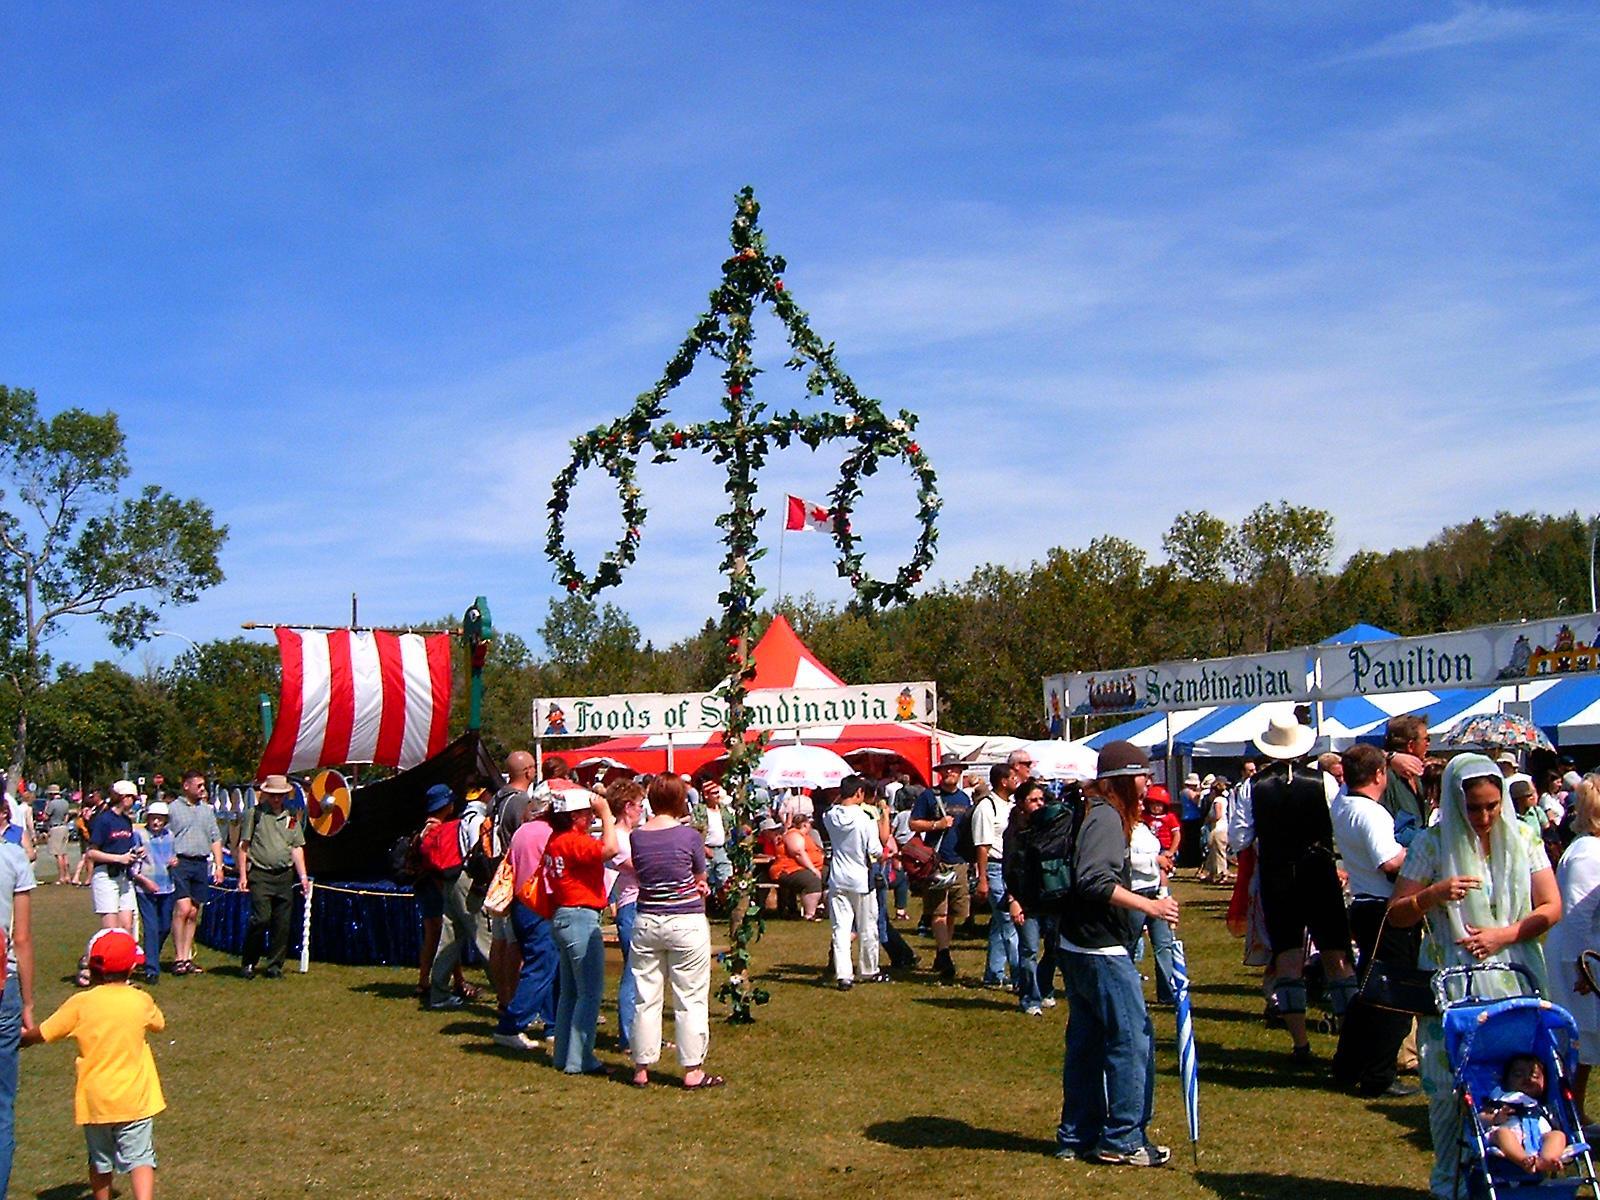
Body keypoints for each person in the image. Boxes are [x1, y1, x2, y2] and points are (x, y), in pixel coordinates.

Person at [1390, 753, 1561, 1200]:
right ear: (1454, 801)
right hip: (1453, 979)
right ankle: (1448, 1179)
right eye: (1473, 807)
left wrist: (1504, 935)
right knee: (1449, 1089)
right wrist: (1433, 894)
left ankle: (1517, 1170)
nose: (1484, 817)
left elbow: (1551, 906)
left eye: (1491, 805)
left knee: (1516, 1080)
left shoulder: (1524, 838)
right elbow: (1397, 916)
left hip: (1514, 974)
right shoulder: (1432, 845)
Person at [1055, 741, 1178, 1167]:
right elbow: (1093, 881)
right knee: (1130, 1039)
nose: (1148, 784)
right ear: (1124, 779)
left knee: (1087, 1042)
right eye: (1143, 776)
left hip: (1078, 943)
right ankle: (1123, 1139)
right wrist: (1151, 907)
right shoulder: (1106, 818)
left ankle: (1077, 1134)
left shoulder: (1094, 812)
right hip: (1100, 947)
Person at [24, 928, 163, 1200]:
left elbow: (45, 1032)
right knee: (141, 1158)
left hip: (96, 1100)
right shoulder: (140, 999)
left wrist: (21, 1039)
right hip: (136, 1098)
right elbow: (159, 1023)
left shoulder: (80, 1003)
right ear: (132, 967)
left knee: (100, 1161)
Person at [1249, 715, 1356, 1061]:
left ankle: (1300, 1043)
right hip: (1318, 870)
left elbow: (1241, 837)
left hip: (1278, 874)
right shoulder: (1323, 781)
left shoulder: (1252, 787)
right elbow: (1339, 823)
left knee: (1288, 955)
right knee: (1336, 952)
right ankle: (1348, 1038)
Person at [1330, 743, 1419, 1097]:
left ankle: (1348, 1065)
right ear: (1379, 775)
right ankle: (1378, 1074)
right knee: (1393, 995)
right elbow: (1389, 863)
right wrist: (1422, 850)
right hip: (1384, 908)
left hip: (1364, 905)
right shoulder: (1371, 813)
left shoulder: (1343, 804)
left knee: (1368, 994)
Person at [628, 773, 720, 1089]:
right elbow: (698, 874)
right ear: (681, 800)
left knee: (645, 995)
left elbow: (644, 873)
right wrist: (700, 886)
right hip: (685, 919)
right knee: (690, 997)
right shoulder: (690, 836)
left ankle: (641, 1067)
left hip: (648, 919)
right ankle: (692, 1070)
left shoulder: (637, 836)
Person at [543, 785, 617, 1075]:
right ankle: (581, 1058)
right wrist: (607, 814)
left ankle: (564, 1056)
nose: (591, 817)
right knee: (589, 992)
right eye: (587, 813)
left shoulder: (556, 840)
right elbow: (610, 849)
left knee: (570, 993)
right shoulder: (573, 841)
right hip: (580, 916)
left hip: (563, 915)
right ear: (575, 816)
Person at [1546, 774, 1600, 1122]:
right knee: (1581, 1044)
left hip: (1586, 955)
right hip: (1581, 959)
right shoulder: (1587, 855)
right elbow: (1576, 916)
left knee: (1586, 1045)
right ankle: (1570, 1114)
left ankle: (1573, 1113)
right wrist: (1582, 968)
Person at [494, 784, 558, 1051]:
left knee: (548, 966)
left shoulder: (523, 831)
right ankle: (512, 1024)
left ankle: (553, 1024)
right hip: (539, 905)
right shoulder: (549, 834)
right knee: (541, 967)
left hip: (522, 904)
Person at [237, 774, 310, 981]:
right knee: (261, 919)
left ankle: (275, 965)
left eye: (280, 796)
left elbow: (296, 847)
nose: (276, 799)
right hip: (260, 873)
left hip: (284, 875)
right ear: (267, 794)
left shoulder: (292, 817)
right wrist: (243, 874)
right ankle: (249, 961)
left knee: (282, 922)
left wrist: (303, 876)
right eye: (273, 795)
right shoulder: (255, 814)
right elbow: (244, 846)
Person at [910, 752, 974, 981]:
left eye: (955, 769)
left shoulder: (965, 799)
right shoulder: (929, 796)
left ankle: (941, 951)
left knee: (954, 912)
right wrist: (937, 824)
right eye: (947, 769)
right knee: (938, 910)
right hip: (936, 860)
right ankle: (945, 955)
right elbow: (913, 823)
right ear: (940, 773)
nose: (951, 772)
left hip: (959, 860)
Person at [823, 774, 888, 990]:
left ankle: (844, 974)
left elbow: (832, 808)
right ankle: (869, 969)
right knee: (867, 925)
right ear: (859, 793)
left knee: (840, 927)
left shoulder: (829, 816)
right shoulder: (865, 819)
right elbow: (875, 850)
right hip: (861, 877)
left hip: (838, 877)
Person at [0, 808, 35, 1194]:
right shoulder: (11, 858)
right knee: (1, 1106)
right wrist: (28, 1003)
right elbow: (21, 938)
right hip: (3, 984)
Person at [1003, 778, 1058, 1015]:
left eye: (1041, 799)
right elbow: (1009, 868)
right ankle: (1030, 998)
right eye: (1032, 800)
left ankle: (1044, 987)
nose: (1038, 804)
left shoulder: (1049, 827)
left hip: (1051, 897)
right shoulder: (1014, 832)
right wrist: (1013, 900)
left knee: (1055, 947)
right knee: (1029, 950)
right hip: (1025, 899)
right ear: (1021, 804)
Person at [488, 752, 537, 1019]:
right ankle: (512, 1000)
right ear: (528, 772)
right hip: (515, 877)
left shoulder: (497, 798)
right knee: (514, 945)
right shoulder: (521, 802)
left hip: (497, 875)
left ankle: (503, 996)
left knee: (500, 941)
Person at [166, 771, 223, 977]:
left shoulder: (207, 810)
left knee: (193, 912)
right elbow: (163, 835)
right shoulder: (172, 809)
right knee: (182, 909)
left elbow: (215, 838)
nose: (202, 789)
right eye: (198, 785)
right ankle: (178, 957)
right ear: (186, 786)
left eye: (203, 785)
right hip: (181, 862)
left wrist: (219, 865)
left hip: (200, 863)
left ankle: (188, 956)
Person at [1481, 1054, 1567, 1177]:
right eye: (1518, 1075)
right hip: (1510, 1136)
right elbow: (1480, 1117)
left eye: (1535, 1076)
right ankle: (1523, 1160)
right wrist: (1494, 1118)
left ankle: (1547, 1159)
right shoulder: (1501, 1097)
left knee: (1558, 1135)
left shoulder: (1543, 1104)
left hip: (1538, 1138)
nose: (1527, 1078)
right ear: (1505, 1080)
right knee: (1502, 1134)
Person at [607, 779, 645, 1052]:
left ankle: (644, 1033)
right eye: (639, 805)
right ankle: (628, 1036)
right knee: (633, 973)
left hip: (643, 905)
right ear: (627, 806)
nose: (642, 810)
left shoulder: (634, 835)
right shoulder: (618, 839)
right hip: (630, 907)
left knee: (647, 975)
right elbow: (639, 868)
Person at [973, 762, 1018, 988]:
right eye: (1014, 777)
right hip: (993, 867)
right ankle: (1021, 976)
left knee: (999, 924)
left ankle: (993, 973)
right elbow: (982, 845)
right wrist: (982, 879)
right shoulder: (986, 807)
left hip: (1008, 866)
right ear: (1003, 781)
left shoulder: (1008, 805)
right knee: (1009, 922)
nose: (1016, 781)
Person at [1128, 796, 1177, 1006]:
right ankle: (1127, 990)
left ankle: (1167, 993)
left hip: (1156, 891)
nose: (1141, 806)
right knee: (1129, 944)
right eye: (1137, 803)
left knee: (1164, 944)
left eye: (1142, 803)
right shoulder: (1121, 828)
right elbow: (1126, 859)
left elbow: (1161, 861)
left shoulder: (1146, 828)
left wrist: (1164, 891)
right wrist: (1154, 860)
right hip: (1134, 893)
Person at [131, 803, 178, 985]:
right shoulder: (140, 835)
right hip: (146, 887)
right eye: (153, 818)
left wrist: (174, 861)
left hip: (166, 886)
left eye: (160, 818)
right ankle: (152, 969)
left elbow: (172, 856)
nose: (156, 822)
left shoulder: (170, 836)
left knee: (165, 926)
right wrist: (144, 880)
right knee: (151, 927)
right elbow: (133, 865)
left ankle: (151, 955)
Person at [87, 781, 142, 933]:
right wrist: (119, 858)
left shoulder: (126, 821)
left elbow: (126, 847)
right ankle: (92, 956)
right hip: (106, 876)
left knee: (127, 926)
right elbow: (91, 853)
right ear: (123, 797)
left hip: (124, 876)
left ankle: (125, 956)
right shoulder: (104, 820)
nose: (133, 802)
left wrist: (136, 853)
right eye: (132, 798)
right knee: (111, 928)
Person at [1382, 715, 1430, 846]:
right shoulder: (1385, 777)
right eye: (1426, 739)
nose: (1428, 744)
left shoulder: (1416, 775)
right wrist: (1389, 757)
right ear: (1410, 745)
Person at [769, 813, 825, 921]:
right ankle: (810, 914)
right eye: (809, 824)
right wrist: (813, 869)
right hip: (788, 870)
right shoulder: (793, 834)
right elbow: (797, 852)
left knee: (831, 875)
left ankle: (826, 910)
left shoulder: (806, 836)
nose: (811, 826)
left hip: (807, 867)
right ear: (804, 825)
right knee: (811, 880)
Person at [1200, 777, 1231, 884]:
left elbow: (1217, 815)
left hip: (1218, 829)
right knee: (1213, 853)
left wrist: (1208, 819)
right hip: (1219, 828)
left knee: (1219, 853)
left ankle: (1223, 874)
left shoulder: (1218, 801)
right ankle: (1212, 874)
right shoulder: (1223, 799)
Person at [44, 784, 72, 884]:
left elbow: (45, 817)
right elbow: (67, 815)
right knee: (65, 853)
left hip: (55, 827)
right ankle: (68, 875)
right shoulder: (65, 802)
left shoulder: (52, 804)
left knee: (58, 854)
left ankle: (61, 877)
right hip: (64, 827)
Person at [1177, 773, 1204, 870]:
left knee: (1187, 840)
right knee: (1194, 841)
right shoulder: (1189, 792)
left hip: (1185, 817)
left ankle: (1186, 859)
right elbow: (1197, 802)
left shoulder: (1182, 792)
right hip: (1193, 818)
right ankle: (1193, 860)